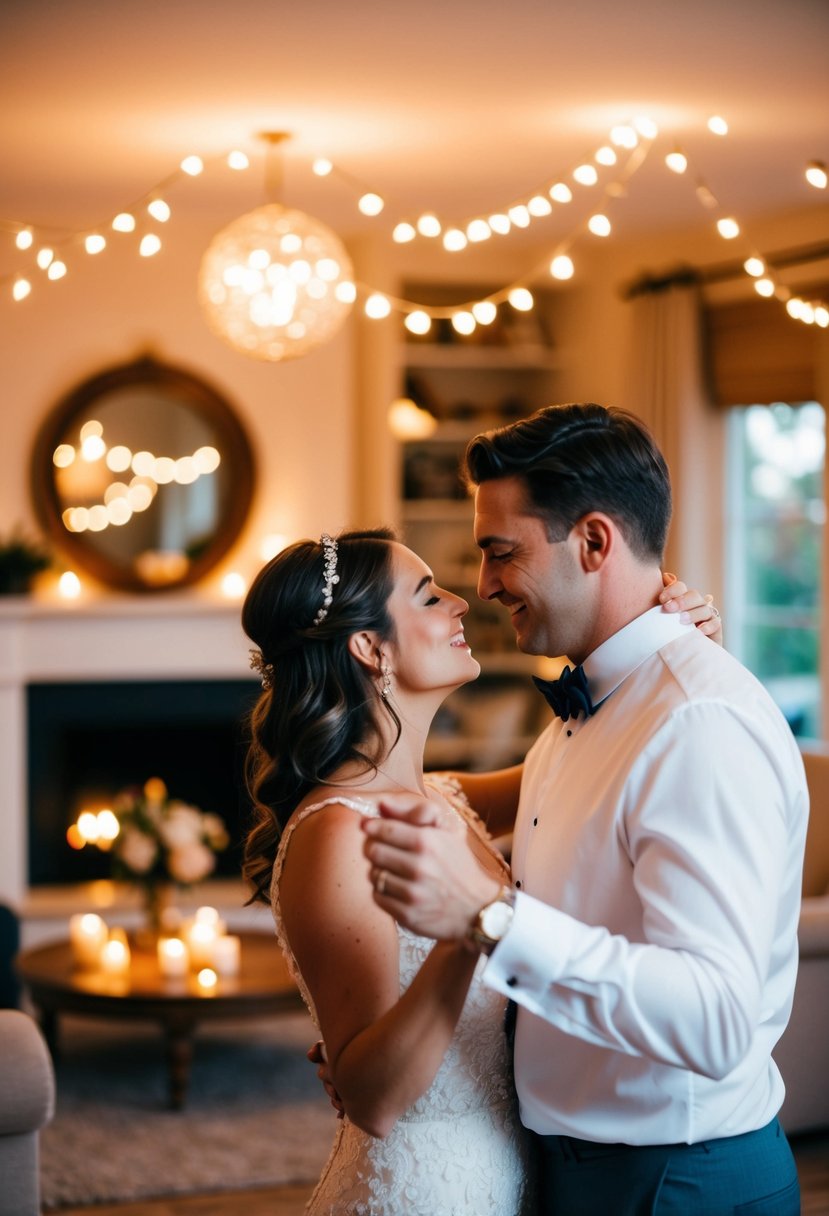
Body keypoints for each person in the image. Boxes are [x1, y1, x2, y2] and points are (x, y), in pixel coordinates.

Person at [361, 403, 809, 1216]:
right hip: (579, 1168)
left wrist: (489, 918)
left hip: (674, 1182)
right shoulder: (585, 709)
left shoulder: (695, 725)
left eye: (501, 552)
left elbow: (713, 1020)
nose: (486, 585)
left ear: (594, 542)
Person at [241, 523, 717, 1216]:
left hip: (516, 1175)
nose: (461, 604)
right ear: (370, 648)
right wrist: (467, 928)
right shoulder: (338, 833)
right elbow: (372, 1097)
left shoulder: (445, 797)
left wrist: (673, 644)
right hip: (424, 1192)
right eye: (429, 596)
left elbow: (604, 758)